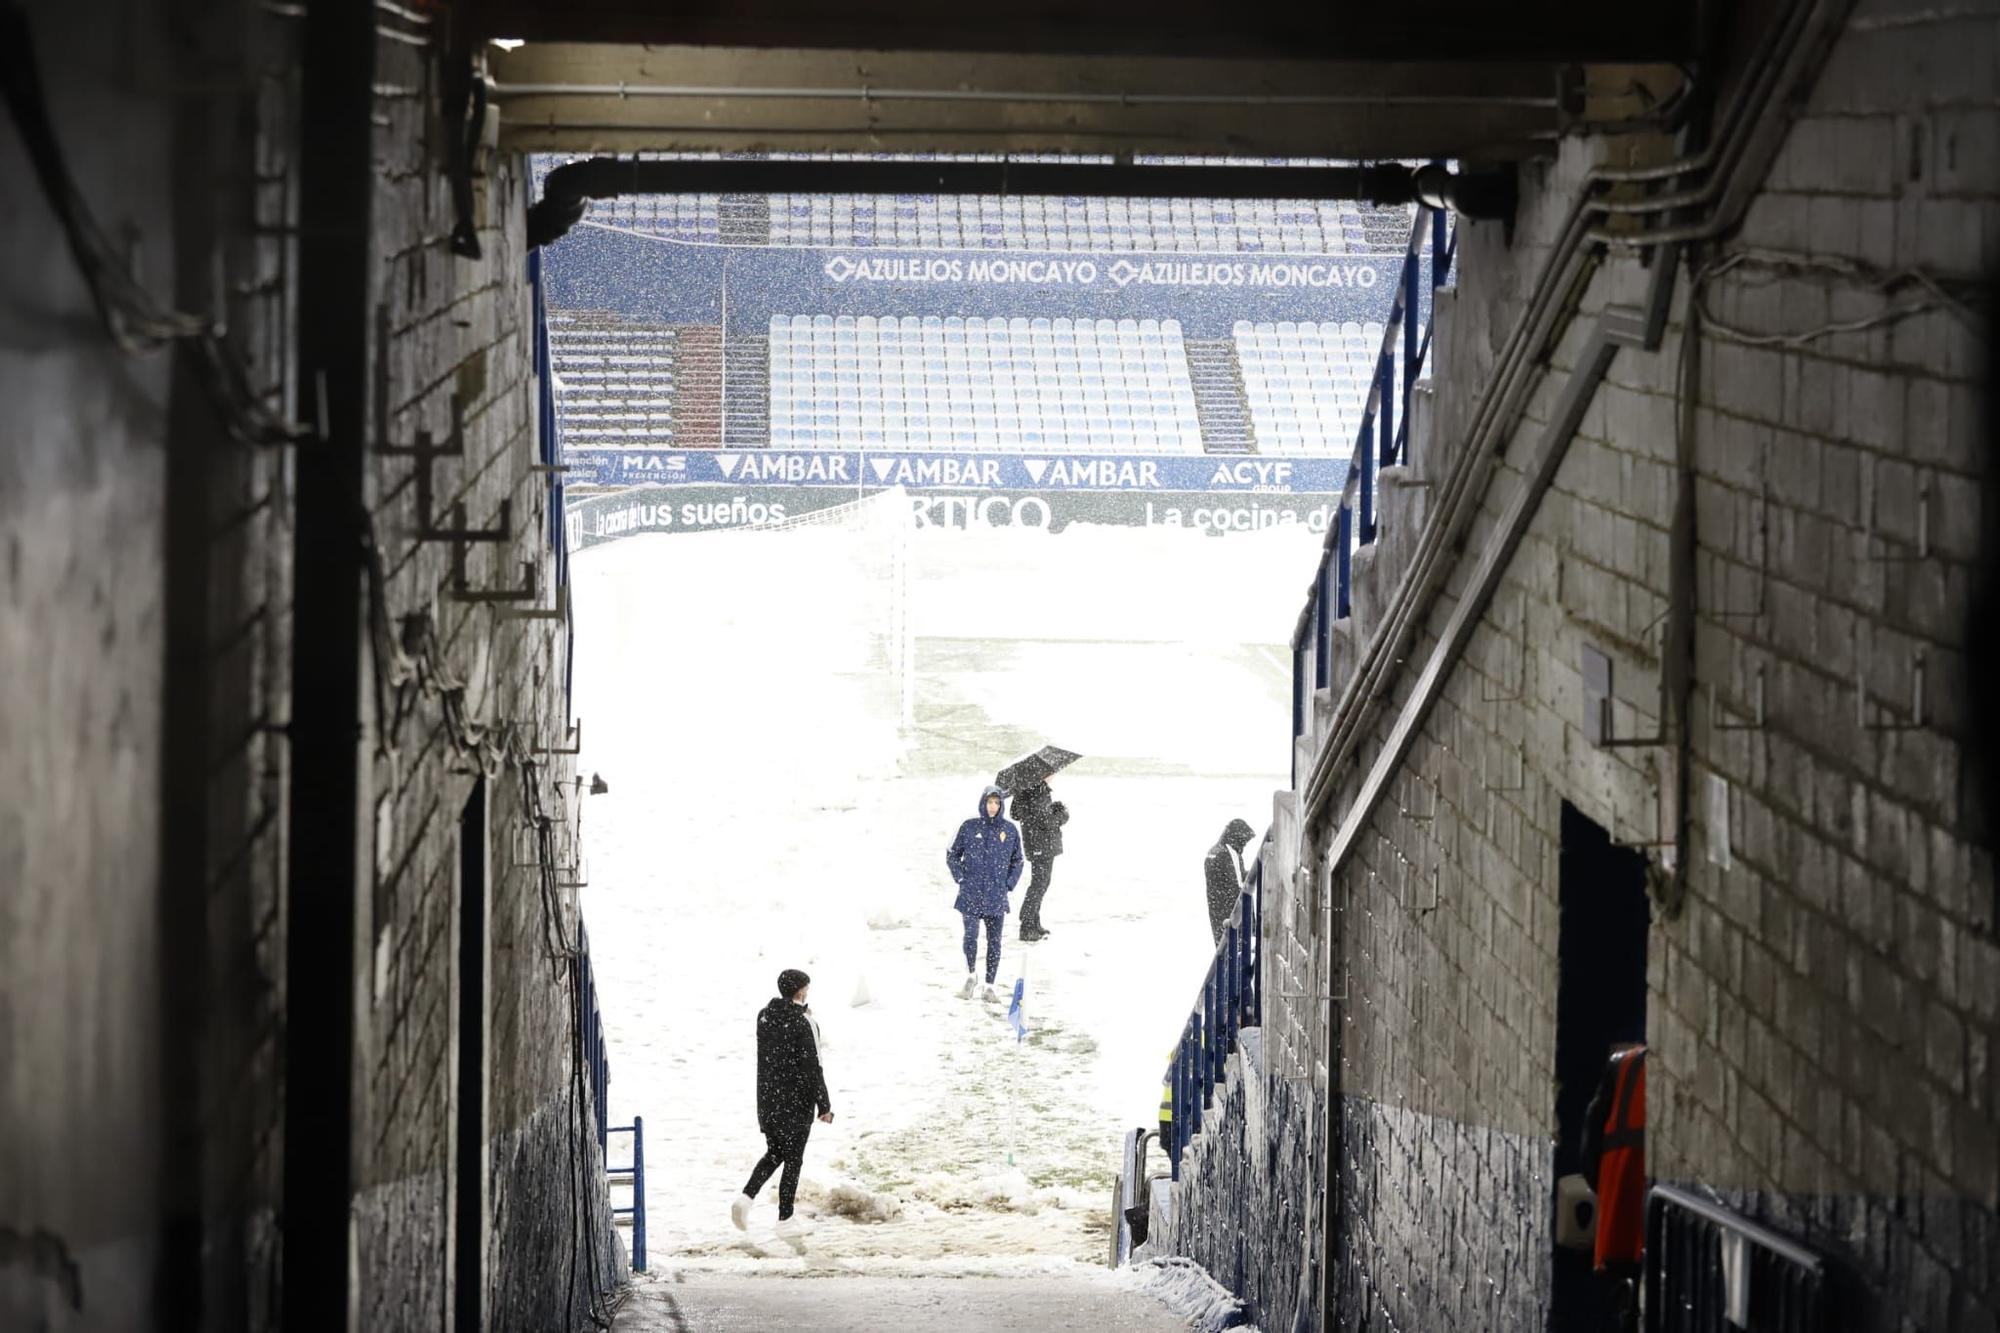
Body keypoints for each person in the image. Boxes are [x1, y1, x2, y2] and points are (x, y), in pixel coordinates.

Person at [731, 969, 833, 1236]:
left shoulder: (764, 1017)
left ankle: (746, 1198)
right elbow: (813, 1066)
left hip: (768, 1099)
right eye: (806, 989)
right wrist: (824, 1104)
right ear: (800, 991)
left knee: (775, 1152)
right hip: (796, 1101)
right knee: (794, 1159)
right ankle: (785, 1219)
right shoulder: (803, 1023)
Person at [1579, 1040, 1647, 1332]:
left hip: (1620, 1208)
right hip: (1652, 1215)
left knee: (1625, 1302)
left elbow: (1591, 1138)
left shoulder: (1622, 1064)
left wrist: (1605, 1191)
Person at [945, 784, 1024, 999]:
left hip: (996, 896)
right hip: (970, 893)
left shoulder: (1009, 830)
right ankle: (971, 976)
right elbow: (952, 853)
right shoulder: (969, 826)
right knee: (970, 936)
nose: (993, 807)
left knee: (994, 941)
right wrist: (960, 877)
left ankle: (990, 986)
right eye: (990, 802)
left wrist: (1008, 884)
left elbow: (1018, 860)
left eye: (997, 803)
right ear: (983, 803)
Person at [1010, 773, 1069, 941]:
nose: (1053, 775)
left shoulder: (1029, 789)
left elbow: (1016, 813)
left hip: (1039, 844)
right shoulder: (1036, 790)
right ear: (1042, 774)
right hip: (1041, 845)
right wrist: (1061, 813)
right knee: (1039, 884)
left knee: (1041, 883)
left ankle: (1033, 921)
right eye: (1050, 773)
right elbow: (1044, 820)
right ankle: (1027, 925)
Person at [1204, 818, 1256, 944]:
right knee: (1235, 952)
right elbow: (1236, 888)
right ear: (1237, 838)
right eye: (1244, 842)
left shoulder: (1216, 851)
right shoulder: (1227, 854)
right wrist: (1250, 922)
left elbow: (1237, 878)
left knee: (1224, 950)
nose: (1244, 846)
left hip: (1218, 915)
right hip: (1230, 917)